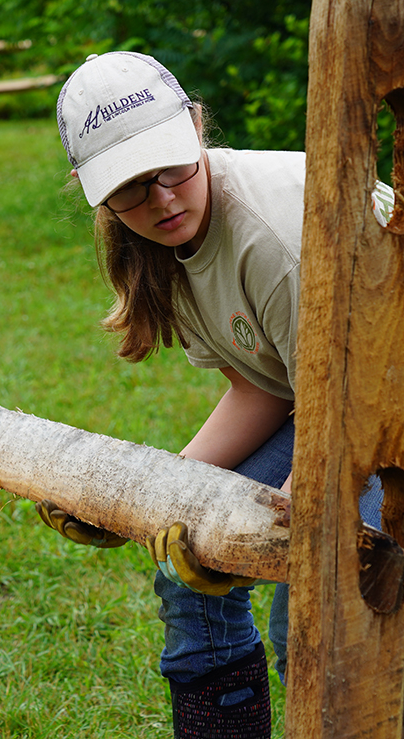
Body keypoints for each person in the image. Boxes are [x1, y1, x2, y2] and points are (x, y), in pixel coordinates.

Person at [37, 51, 386, 737]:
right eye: (131, 187)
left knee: (319, 605)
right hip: (341, 397)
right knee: (183, 560)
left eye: (171, 169)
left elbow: (351, 402)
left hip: (381, 397)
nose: (161, 199)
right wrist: (153, 493)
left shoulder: (272, 234)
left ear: (196, 125)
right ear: (90, 187)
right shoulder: (165, 248)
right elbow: (263, 387)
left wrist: (279, 512)